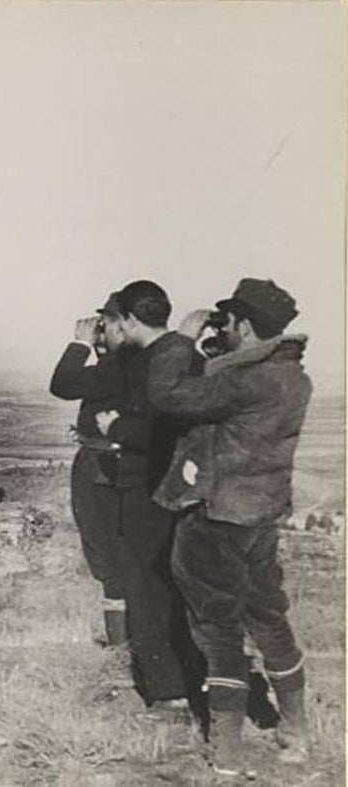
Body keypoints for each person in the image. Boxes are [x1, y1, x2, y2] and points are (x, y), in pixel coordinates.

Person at [146, 278, 311, 775]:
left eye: (229, 323)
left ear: (241, 323)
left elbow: (168, 397)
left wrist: (180, 340)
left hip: (217, 516)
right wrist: (221, 354)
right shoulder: (291, 377)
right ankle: (296, 732)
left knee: (219, 632)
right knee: (268, 616)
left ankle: (226, 757)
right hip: (261, 514)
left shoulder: (244, 381)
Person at [93, 281, 206, 709]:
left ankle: (166, 690)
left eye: (114, 320)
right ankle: (192, 679)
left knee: (143, 584)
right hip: (183, 487)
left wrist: (114, 428)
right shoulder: (185, 357)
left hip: (147, 484)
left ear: (129, 320)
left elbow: (157, 427)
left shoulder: (151, 364)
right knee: (178, 585)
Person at [49, 293, 133, 647]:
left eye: (107, 323)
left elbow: (63, 385)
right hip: (122, 461)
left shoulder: (117, 367)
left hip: (103, 468)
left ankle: (121, 643)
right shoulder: (143, 363)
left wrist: (80, 343)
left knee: (107, 559)